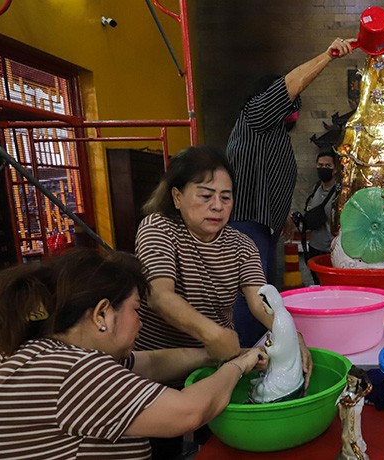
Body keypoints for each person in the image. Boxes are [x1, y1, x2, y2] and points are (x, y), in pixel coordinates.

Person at [0, 248, 266, 460]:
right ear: (103, 314)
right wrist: (241, 364)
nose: (141, 321)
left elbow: (152, 363)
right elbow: (188, 412)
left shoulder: (43, 353)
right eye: (136, 310)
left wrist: (219, 355)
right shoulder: (74, 370)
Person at [134, 145, 312, 382]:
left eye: (225, 197)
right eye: (206, 196)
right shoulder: (158, 228)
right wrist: (212, 333)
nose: (218, 206)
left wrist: (288, 332)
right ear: (177, 197)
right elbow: (159, 296)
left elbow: (260, 302)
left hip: (214, 367)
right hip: (159, 369)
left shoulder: (242, 245)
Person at [226, 37, 356, 345]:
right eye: (292, 104)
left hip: (264, 223)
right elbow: (292, 83)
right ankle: (244, 355)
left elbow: (266, 175)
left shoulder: (271, 133)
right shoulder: (256, 114)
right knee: (253, 295)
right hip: (247, 222)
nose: (295, 110)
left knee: (265, 292)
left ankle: (261, 352)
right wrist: (329, 54)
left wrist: (281, 213)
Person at [301, 151, 340, 284]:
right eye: (320, 165)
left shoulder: (340, 192)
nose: (323, 168)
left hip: (331, 249)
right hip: (314, 247)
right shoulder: (316, 187)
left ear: (335, 169)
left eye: (327, 166)